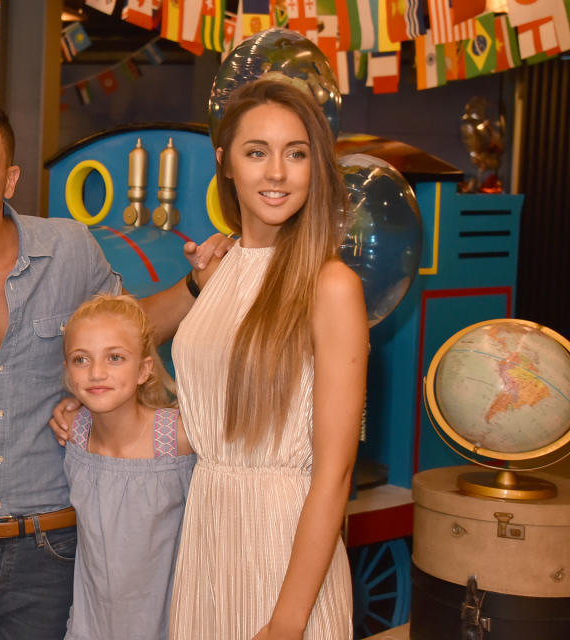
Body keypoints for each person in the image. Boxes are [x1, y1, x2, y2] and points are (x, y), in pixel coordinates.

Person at [0, 88, 220, 640]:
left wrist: (196, 284)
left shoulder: (70, 249)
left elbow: (131, 327)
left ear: (9, 179)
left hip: (50, 552)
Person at [167, 80, 368, 639]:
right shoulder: (221, 265)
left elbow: (336, 472)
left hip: (285, 552)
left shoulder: (331, 285)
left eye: (296, 153)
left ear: (316, 168)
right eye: (256, 152)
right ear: (225, 163)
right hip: (207, 536)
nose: (277, 172)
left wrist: (288, 619)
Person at [61, 294, 195, 640]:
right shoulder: (77, 432)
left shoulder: (177, 437)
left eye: (115, 358)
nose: (96, 373)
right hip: (92, 626)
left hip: (167, 624)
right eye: (81, 360)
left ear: (144, 370)